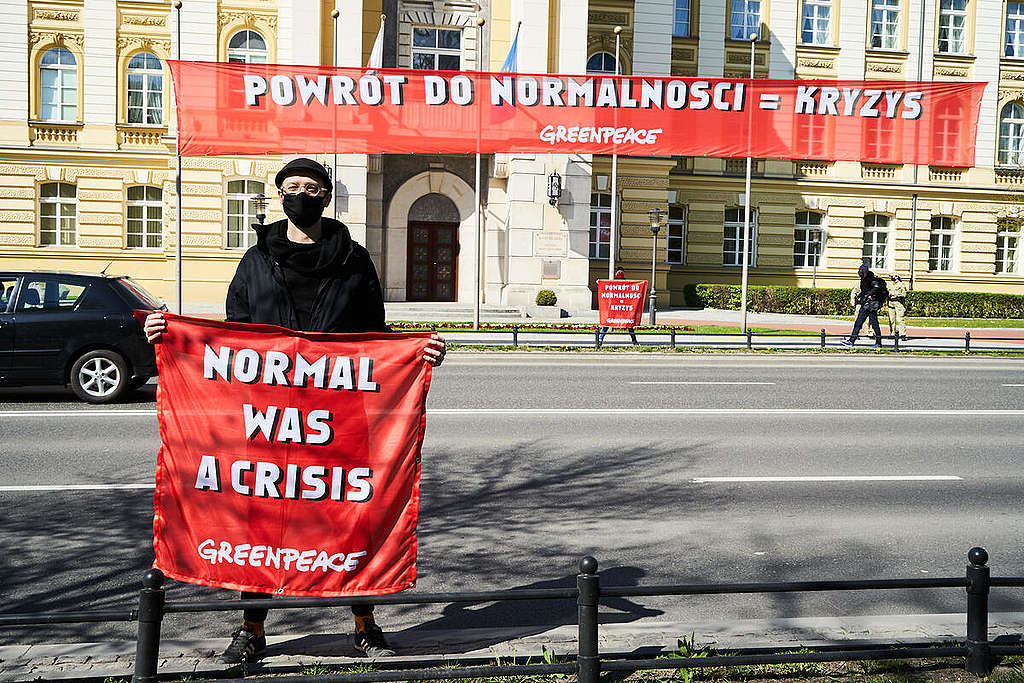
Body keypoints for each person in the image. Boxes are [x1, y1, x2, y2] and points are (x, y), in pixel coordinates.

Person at [144, 157, 446, 664]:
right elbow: (233, 333)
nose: (300, 194)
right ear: (278, 195)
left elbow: (375, 332)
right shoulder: (255, 259)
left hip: (339, 413)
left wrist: (415, 355)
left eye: (311, 187)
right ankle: (251, 628)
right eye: (291, 187)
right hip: (265, 416)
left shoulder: (353, 258)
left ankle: (364, 622)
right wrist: (172, 338)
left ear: (326, 196)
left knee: (351, 514)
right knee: (261, 520)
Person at [842, 263, 888, 348]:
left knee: (871, 323)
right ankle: (852, 341)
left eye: (861, 271)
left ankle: (878, 343)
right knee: (860, 323)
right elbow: (865, 290)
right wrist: (860, 296)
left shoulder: (871, 279)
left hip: (871, 305)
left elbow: (876, 287)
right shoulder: (864, 279)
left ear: (865, 272)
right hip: (866, 305)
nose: (859, 273)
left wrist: (869, 295)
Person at [598, 269, 639, 346]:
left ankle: (600, 340)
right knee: (628, 324)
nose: (620, 273)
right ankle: (634, 341)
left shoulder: (614, 283)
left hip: (617, 307)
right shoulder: (625, 284)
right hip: (619, 307)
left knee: (609, 323)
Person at [887, 271, 908, 341]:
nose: (890, 278)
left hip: (899, 303)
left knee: (900, 319)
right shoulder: (890, 285)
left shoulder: (901, 285)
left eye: (891, 276)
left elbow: (904, 294)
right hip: (891, 303)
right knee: (891, 319)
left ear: (896, 276)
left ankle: (903, 334)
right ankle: (892, 333)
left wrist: (895, 294)